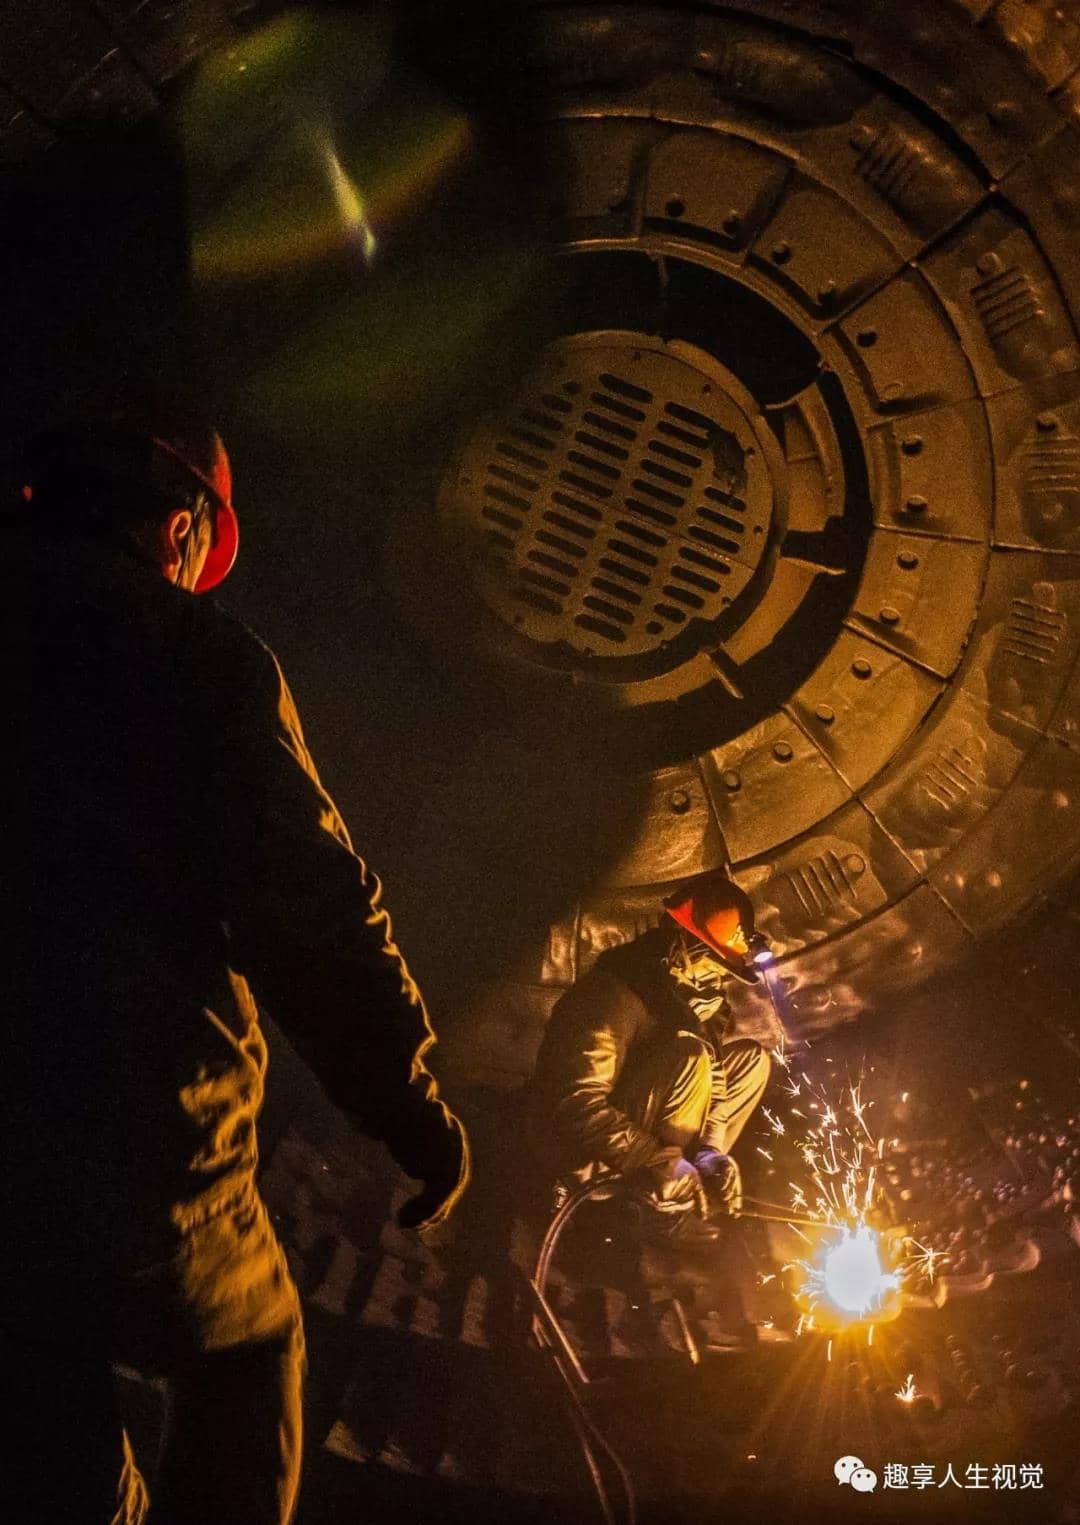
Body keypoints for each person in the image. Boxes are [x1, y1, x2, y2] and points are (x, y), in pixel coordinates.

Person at [0, 399, 469, 1524]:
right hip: (128, 1141)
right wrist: (404, 1101)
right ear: (180, 526)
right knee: (246, 1347)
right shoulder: (191, 653)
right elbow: (302, 901)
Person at [529, 872, 772, 1241]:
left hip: (645, 1132)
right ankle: (656, 1209)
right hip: (581, 1154)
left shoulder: (696, 1001)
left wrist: (711, 1152)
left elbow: (718, 1085)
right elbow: (576, 1104)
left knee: (751, 1061)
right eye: (714, 965)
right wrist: (653, 1159)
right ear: (683, 946)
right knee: (690, 1056)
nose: (718, 980)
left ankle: (682, 1181)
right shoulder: (614, 995)